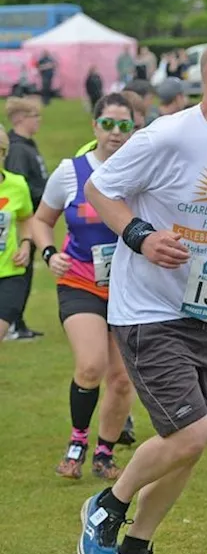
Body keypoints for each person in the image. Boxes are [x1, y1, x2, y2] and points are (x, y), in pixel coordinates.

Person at [77, 34, 207, 554]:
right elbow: (101, 187)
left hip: (205, 311)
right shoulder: (170, 134)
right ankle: (106, 506)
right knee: (189, 433)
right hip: (147, 310)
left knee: (196, 439)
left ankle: (136, 550)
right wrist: (140, 236)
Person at [31, 95, 137, 480]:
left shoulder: (144, 171)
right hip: (80, 281)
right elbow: (42, 220)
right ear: (94, 126)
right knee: (91, 364)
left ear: (134, 130)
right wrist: (47, 253)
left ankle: (104, 453)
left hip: (130, 288)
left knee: (123, 379)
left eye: (124, 125)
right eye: (108, 124)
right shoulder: (70, 172)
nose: (115, 132)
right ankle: (77, 442)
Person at [3, 95, 46, 340]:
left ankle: (17, 322)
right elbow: (19, 189)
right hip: (23, 219)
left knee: (25, 269)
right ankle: (13, 323)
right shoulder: (17, 149)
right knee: (21, 269)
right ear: (20, 119)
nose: (38, 121)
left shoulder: (28, 145)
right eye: (34, 116)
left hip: (34, 216)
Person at [0, 129, 35, 341]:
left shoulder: (17, 185)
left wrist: (25, 244)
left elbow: (26, 218)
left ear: (4, 153)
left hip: (10, 273)